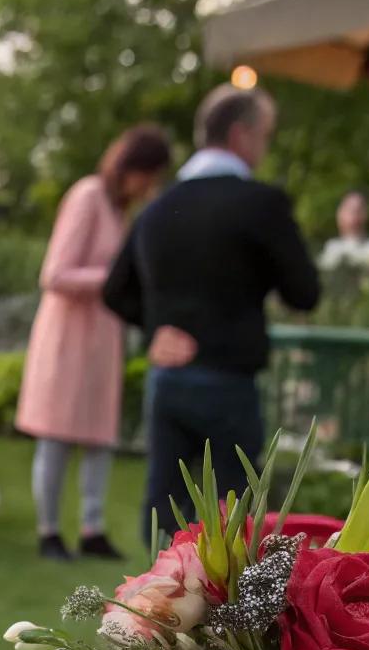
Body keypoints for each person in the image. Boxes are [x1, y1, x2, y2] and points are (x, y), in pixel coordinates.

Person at [103, 85, 319, 544]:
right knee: (235, 525)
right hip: (227, 383)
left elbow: (113, 290)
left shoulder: (156, 209)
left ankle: (153, 613)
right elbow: (304, 292)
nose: (265, 146)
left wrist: (156, 328)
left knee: (166, 519)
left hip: (168, 383)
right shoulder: (261, 204)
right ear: (242, 134)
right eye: (266, 135)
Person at [16, 124, 172, 561]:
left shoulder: (118, 211)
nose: (150, 186)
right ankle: (49, 530)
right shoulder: (87, 195)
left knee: (100, 436)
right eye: (150, 174)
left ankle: (92, 527)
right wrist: (115, 279)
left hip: (103, 337)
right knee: (57, 435)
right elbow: (55, 273)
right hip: (68, 335)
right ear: (133, 167)